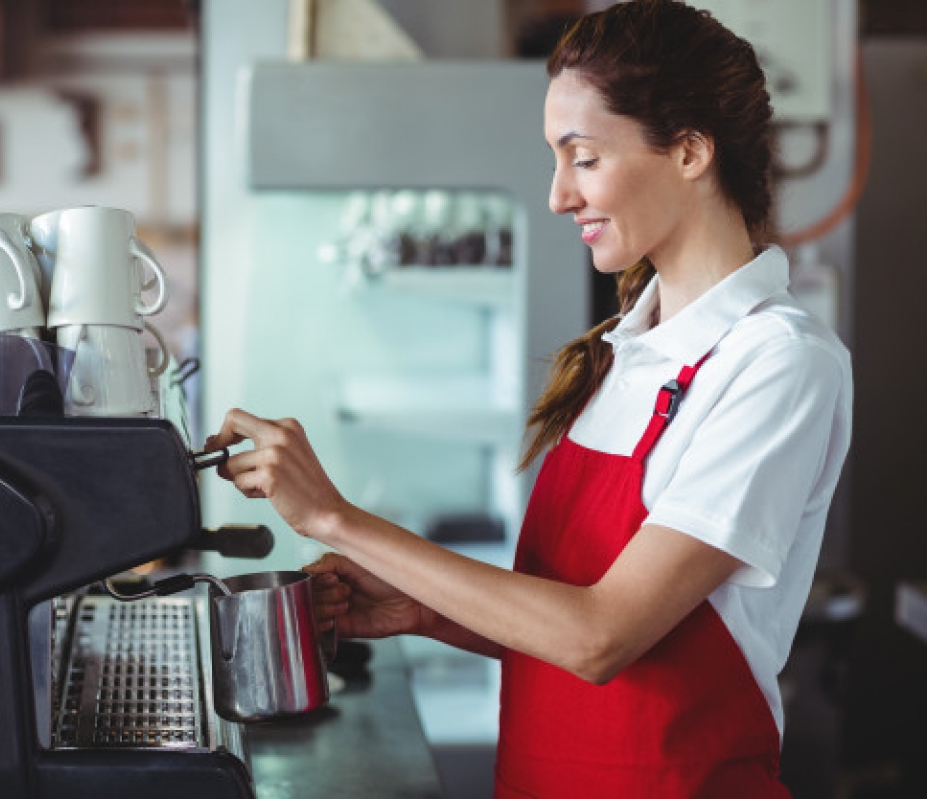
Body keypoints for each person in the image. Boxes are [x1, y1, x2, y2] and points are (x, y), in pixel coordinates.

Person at [204, 1, 853, 796]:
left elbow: (600, 636)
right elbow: (565, 623)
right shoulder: (626, 352)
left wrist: (339, 519)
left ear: (689, 150)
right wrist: (423, 610)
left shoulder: (777, 361)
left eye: (582, 158)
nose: (556, 195)